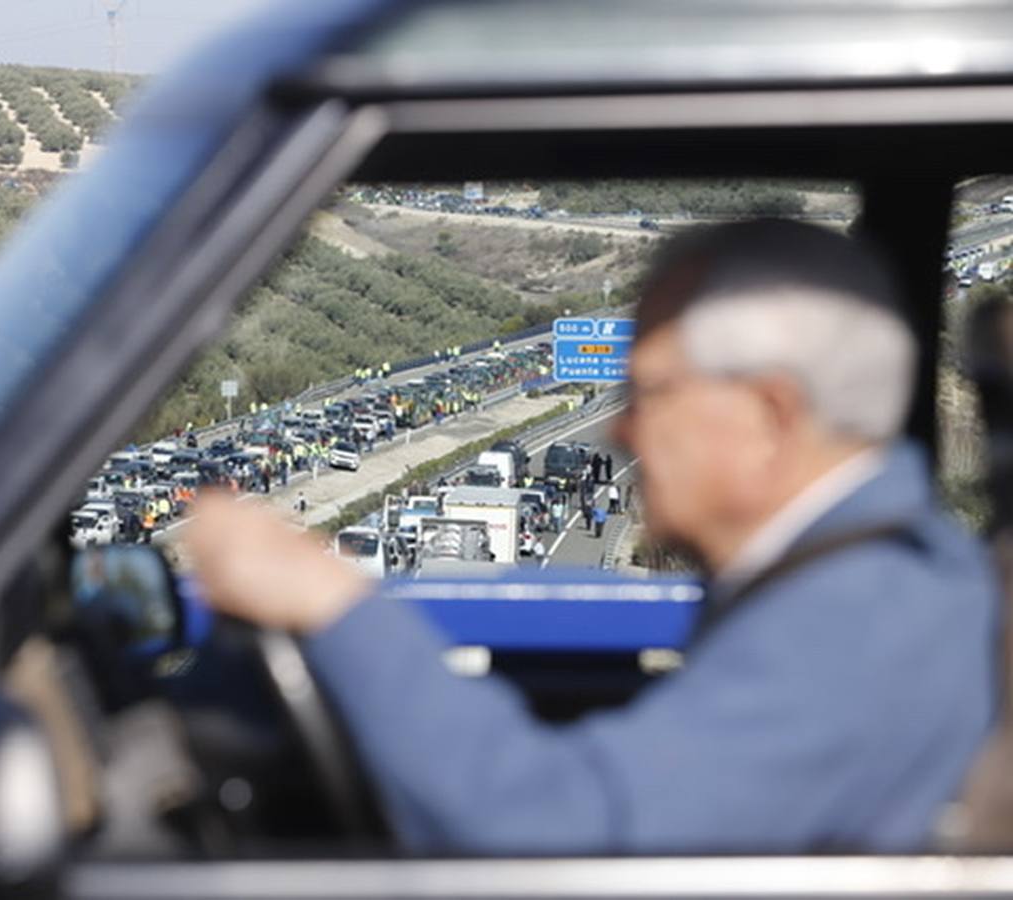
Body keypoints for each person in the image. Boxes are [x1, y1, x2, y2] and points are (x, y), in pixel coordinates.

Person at [185, 219, 999, 854]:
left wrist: (336, 604)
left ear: (768, 416)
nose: (621, 432)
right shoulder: (876, 581)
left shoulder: (854, 617)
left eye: (648, 391)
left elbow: (557, 836)